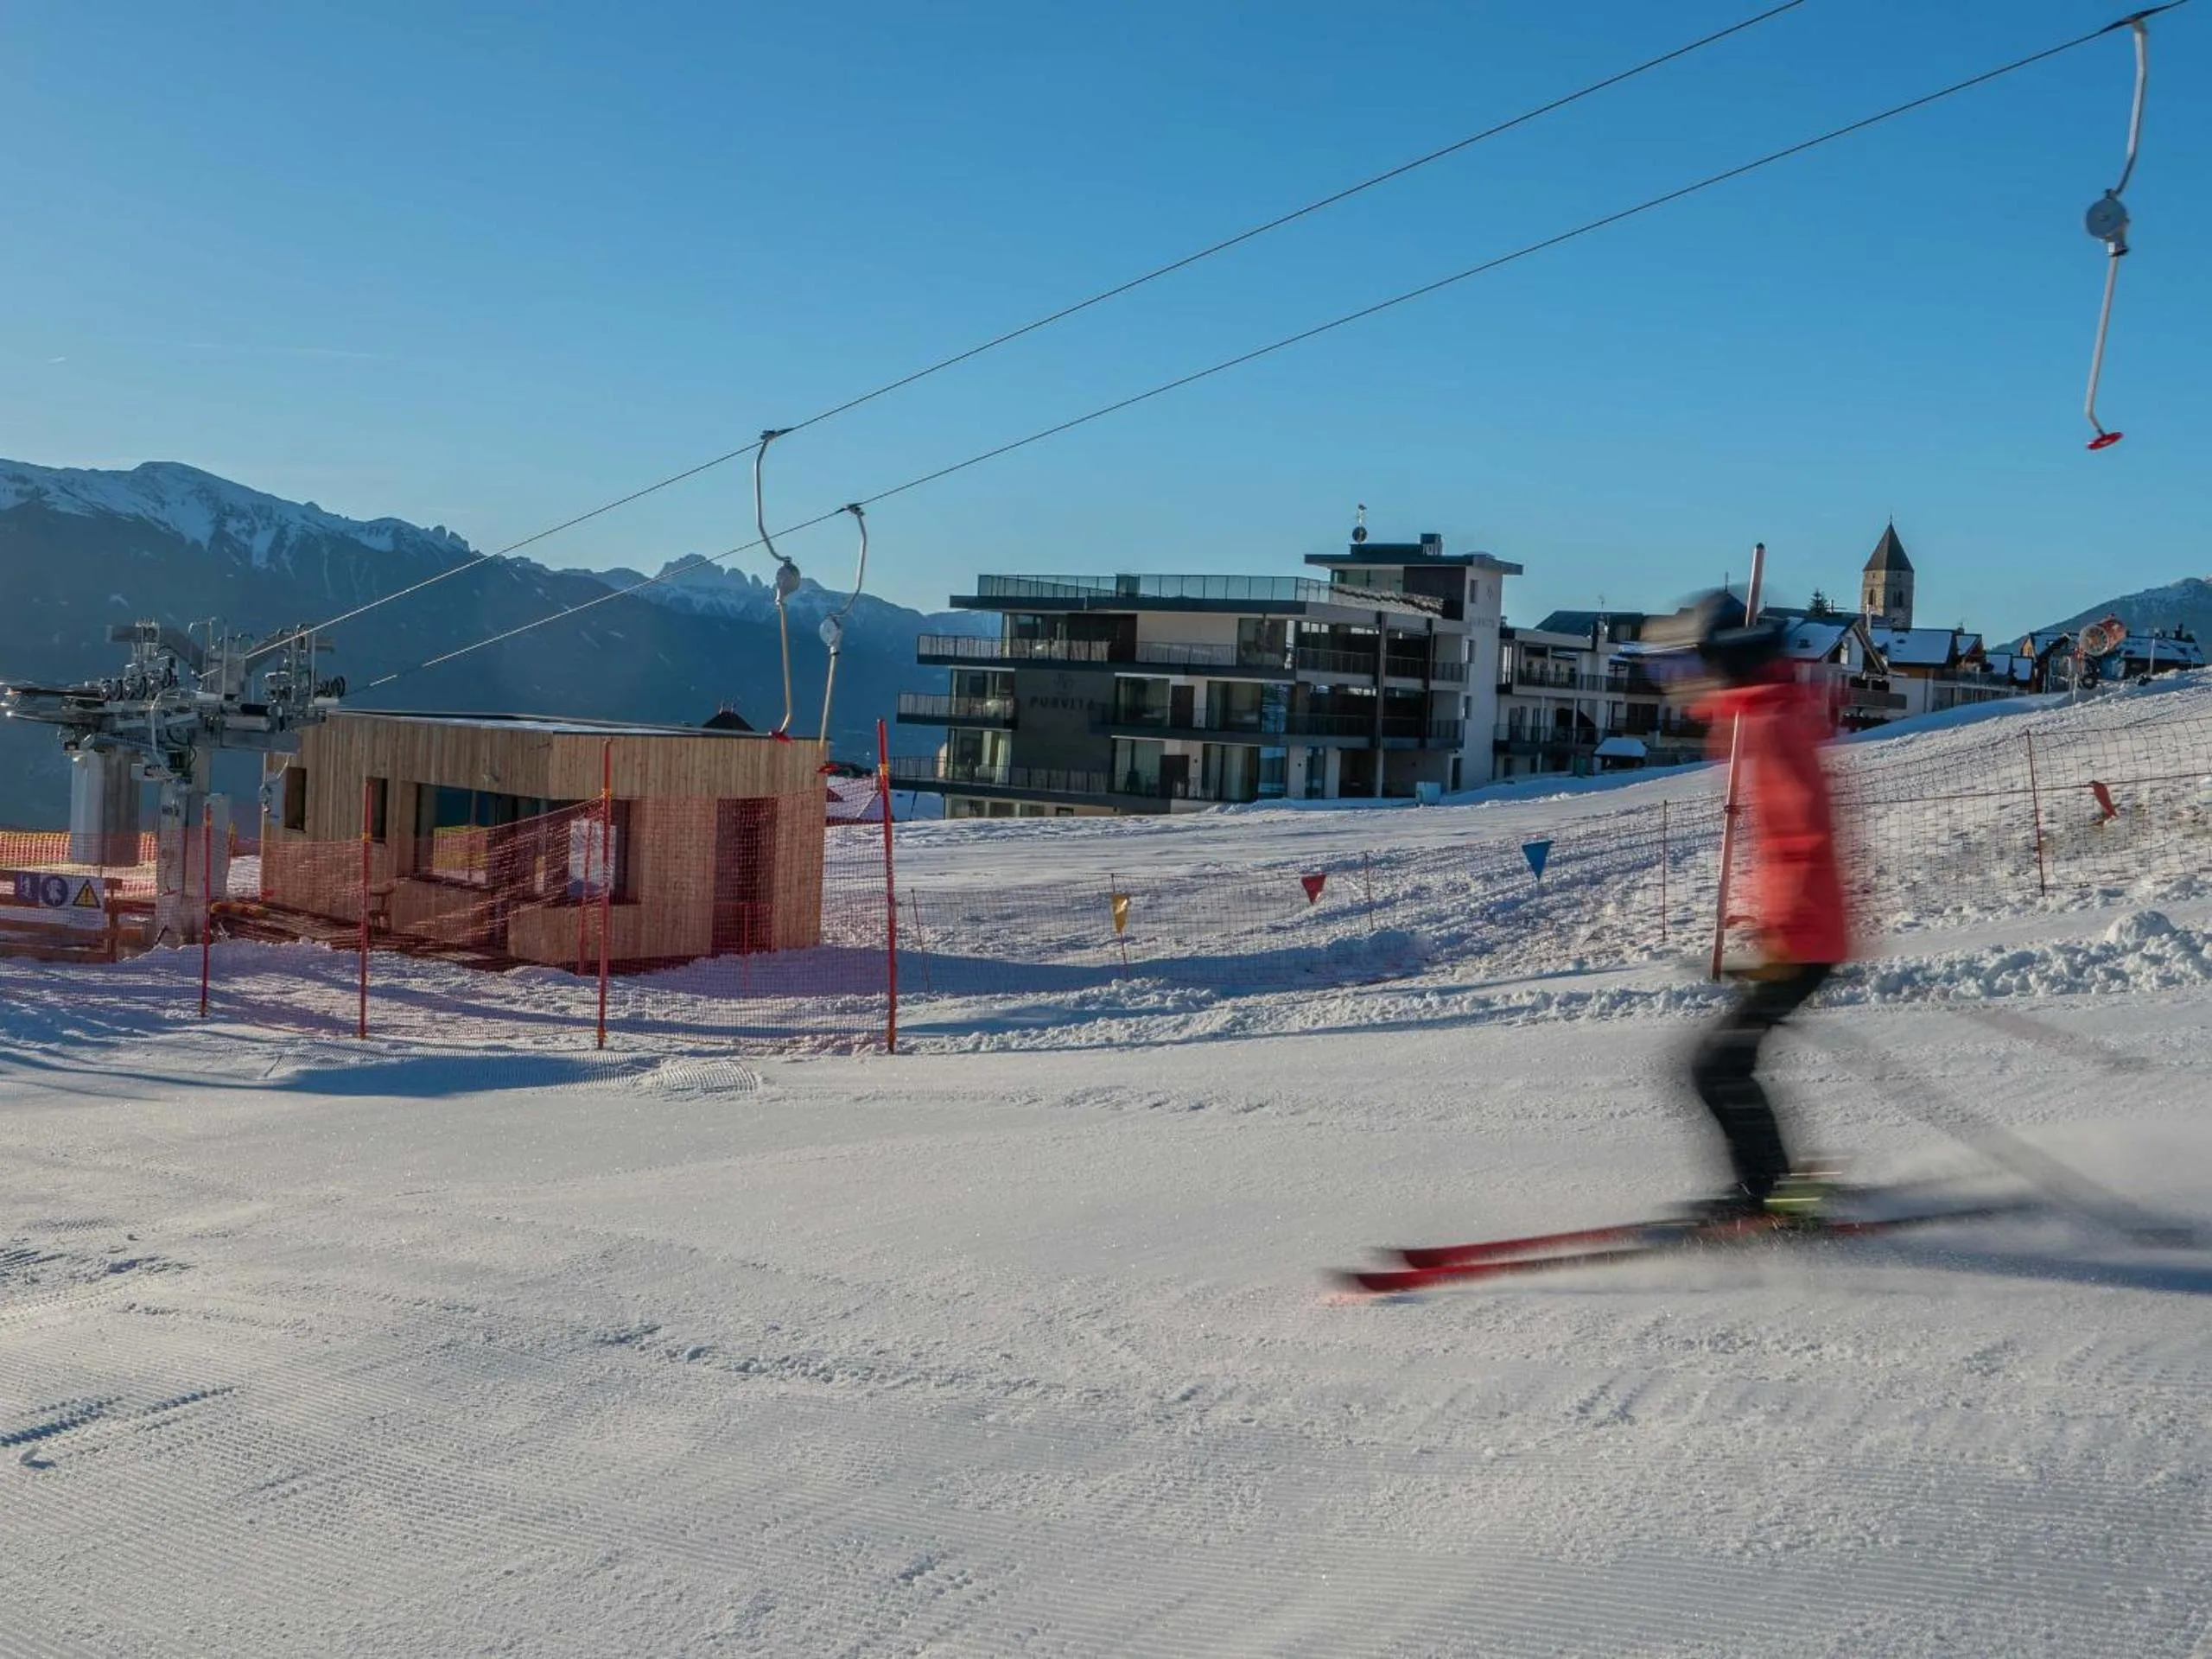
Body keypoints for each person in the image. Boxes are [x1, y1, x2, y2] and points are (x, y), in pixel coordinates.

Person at [1658, 596, 1854, 1221]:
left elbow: (1807, 834)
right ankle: (1775, 1184)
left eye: (1692, 662)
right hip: (1804, 934)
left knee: (1717, 1066)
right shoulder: (1761, 717)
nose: (1684, 678)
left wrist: (1782, 937)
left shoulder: (1770, 726)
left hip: (1806, 939)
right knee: (1725, 1062)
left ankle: (1774, 1194)